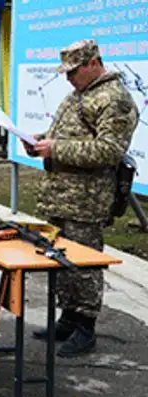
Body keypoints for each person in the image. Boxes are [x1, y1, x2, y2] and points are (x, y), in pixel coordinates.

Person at [25, 39, 139, 357]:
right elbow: (58, 137)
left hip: (87, 201)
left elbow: (109, 150)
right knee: (60, 259)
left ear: (92, 63)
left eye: (74, 71)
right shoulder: (77, 95)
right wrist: (36, 141)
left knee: (85, 264)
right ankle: (68, 318)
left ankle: (85, 326)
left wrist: (56, 148)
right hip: (61, 197)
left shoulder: (114, 99)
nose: (68, 77)